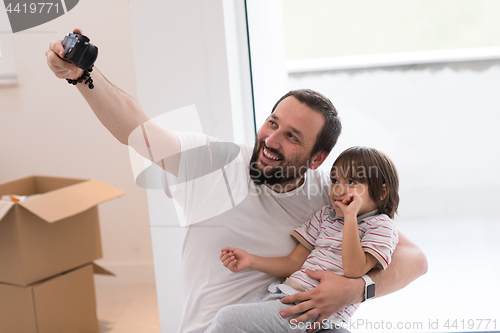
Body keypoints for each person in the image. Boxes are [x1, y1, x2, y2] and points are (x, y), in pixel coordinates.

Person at [45, 29, 428, 333]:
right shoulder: (217, 162)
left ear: (317, 159)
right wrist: (84, 76)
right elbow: (138, 129)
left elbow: (414, 258)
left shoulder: (328, 199)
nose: (272, 140)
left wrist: (357, 289)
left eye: (292, 136)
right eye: (272, 123)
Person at [206, 146, 400, 333]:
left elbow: (354, 270)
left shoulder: (382, 226)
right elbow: (293, 262)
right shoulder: (325, 215)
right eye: (335, 180)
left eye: (351, 182)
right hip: (282, 293)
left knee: (227, 319)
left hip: (311, 308)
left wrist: (350, 218)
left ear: (382, 192)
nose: (339, 190)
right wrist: (251, 260)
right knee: (222, 320)